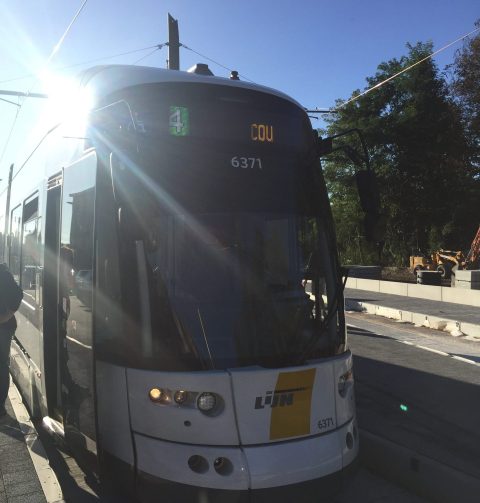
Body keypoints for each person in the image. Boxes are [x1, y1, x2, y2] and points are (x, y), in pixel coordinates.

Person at [0, 263, 23, 418]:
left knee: (1, 365)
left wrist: (5, 316)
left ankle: (0, 408)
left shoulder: (3, 275)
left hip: (3, 328)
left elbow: (18, 294)